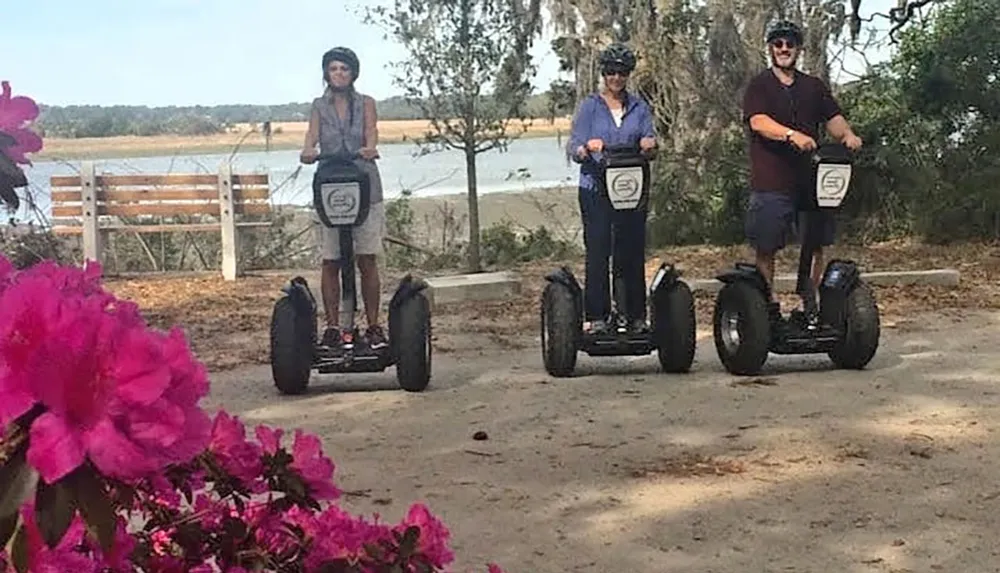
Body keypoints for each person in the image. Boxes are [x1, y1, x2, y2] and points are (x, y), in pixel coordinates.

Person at [741, 20, 863, 311]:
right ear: (770, 48)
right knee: (767, 246)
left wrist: (847, 135)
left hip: (811, 180)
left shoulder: (813, 86)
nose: (784, 49)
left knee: (815, 242)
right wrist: (790, 134)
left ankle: (809, 301)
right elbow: (758, 121)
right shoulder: (760, 85)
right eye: (778, 44)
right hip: (772, 181)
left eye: (790, 44)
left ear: (799, 49)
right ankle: (765, 304)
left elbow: (833, 117)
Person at [300, 47, 387, 353]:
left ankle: (375, 326)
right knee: (330, 260)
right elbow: (311, 137)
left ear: (353, 73)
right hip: (330, 187)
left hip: (364, 186)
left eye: (344, 69)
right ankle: (334, 327)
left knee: (366, 258)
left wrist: (369, 148)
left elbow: (371, 132)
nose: (339, 73)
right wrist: (308, 151)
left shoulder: (366, 103)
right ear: (326, 73)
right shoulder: (317, 106)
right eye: (334, 68)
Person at [567, 42, 657, 335]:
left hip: (631, 187)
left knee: (630, 249)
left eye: (621, 72)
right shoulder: (590, 107)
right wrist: (585, 149)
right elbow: (574, 145)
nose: (615, 77)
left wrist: (649, 145)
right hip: (596, 188)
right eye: (610, 72)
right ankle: (598, 316)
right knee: (598, 249)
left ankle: (634, 315)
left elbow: (649, 139)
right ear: (603, 74)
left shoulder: (639, 107)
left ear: (628, 75)